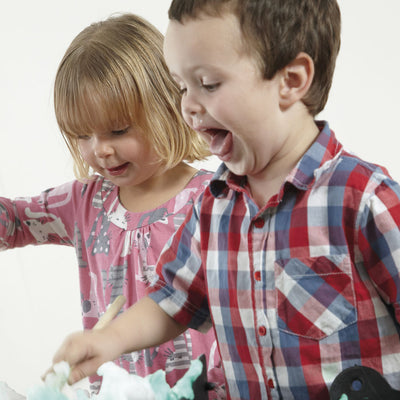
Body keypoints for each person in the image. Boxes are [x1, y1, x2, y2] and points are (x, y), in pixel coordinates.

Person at [52, 1, 400, 399]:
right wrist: (110, 340)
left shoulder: (363, 199)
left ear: (292, 79)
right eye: (182, 86)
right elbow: (172, 300)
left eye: (209, 84)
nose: (188, 106)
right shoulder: (213, 208)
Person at [0, 12, 225, 399]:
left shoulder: (214, 199)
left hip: (202, 391)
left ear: (170, 105)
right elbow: (15, 222)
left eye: (119, 130)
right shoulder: (85, 202)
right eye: (82, 135)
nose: (100, 150)